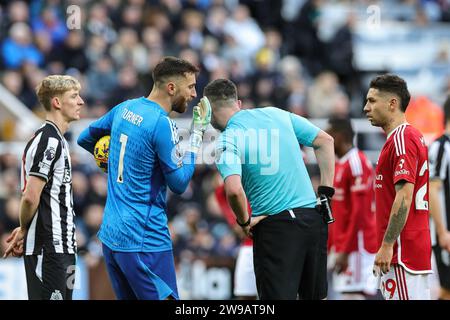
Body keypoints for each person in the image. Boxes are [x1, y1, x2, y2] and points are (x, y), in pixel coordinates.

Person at [77, 56, 211, 300]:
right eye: (190, 86)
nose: (194, 94)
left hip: (111, 236)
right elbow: (179, 184)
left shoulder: (124, 108)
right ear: (171, 87)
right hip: (144, 239)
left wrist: (116, 164)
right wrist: (197, 135)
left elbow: (85, 138)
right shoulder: (161, 123)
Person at [205, 78, 335, 300]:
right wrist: (325, 193)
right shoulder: (276, 114)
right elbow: (325, 141)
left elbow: (234, 190)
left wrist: (244, 222)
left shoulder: (228, 140)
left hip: (276, 226)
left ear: (209, 111)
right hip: (313, 219)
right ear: (238, 102)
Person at [3, 75, 84, 300]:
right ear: (57, 102)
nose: (81, 102)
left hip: (65, 249)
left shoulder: (59, 140)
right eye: (74, 96)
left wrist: (24, 228)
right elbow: (31, 197)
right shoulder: (48, 141)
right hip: (49, 250)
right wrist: (24, 228)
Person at [364, 74, 432, 300]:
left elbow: (404, 195)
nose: (366, 108)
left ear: (392, 103)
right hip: (409, 250)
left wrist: (387, 244)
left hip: (403, 252)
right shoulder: (402, 138)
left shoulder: (402, 139)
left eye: (372, 101)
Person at [326, 117, 378, 299]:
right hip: (343, 244)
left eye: (329, 135)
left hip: (357, 246)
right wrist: (332, 244)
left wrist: (346, 250)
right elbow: (338, 210)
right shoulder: (340, 164)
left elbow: (359, 212)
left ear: (339, 137)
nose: (327, 140)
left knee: (355, 294)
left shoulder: (357, 163)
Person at [214, 182, 257, 299]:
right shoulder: (237, 179)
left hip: (272, 242)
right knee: (245, 294)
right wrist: (235, 221)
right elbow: (220, 192)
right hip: (248, 245)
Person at [428, 95, 450, 300]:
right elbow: (433, 189)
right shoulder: (441, 147)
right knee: (446, 290)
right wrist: (443, 232)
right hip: (446, 233)